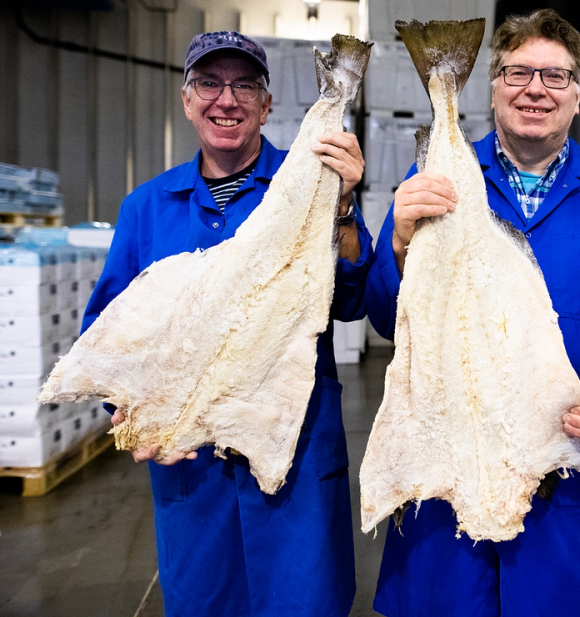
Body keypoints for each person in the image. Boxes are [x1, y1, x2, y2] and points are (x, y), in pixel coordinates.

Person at [365, 9, 580, 616]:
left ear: (578, 95)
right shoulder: (437, 177)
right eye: (518, 73)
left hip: (559, 467)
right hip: (449, 453)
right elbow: (385, 317)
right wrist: (396, 243)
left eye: (555, 76)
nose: (535, 90)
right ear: (492, 86)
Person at [84, 31, 373, 617]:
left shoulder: (314, 185)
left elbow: (351, 301)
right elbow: (107, 333)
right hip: (193, 475)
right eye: (209, 84)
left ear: (267, 105)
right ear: (186, 99)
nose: (227, 99)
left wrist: (342, 208)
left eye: (245, 85)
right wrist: (129, 414)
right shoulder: (146, 207)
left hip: (294, 468)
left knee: (303, 604)